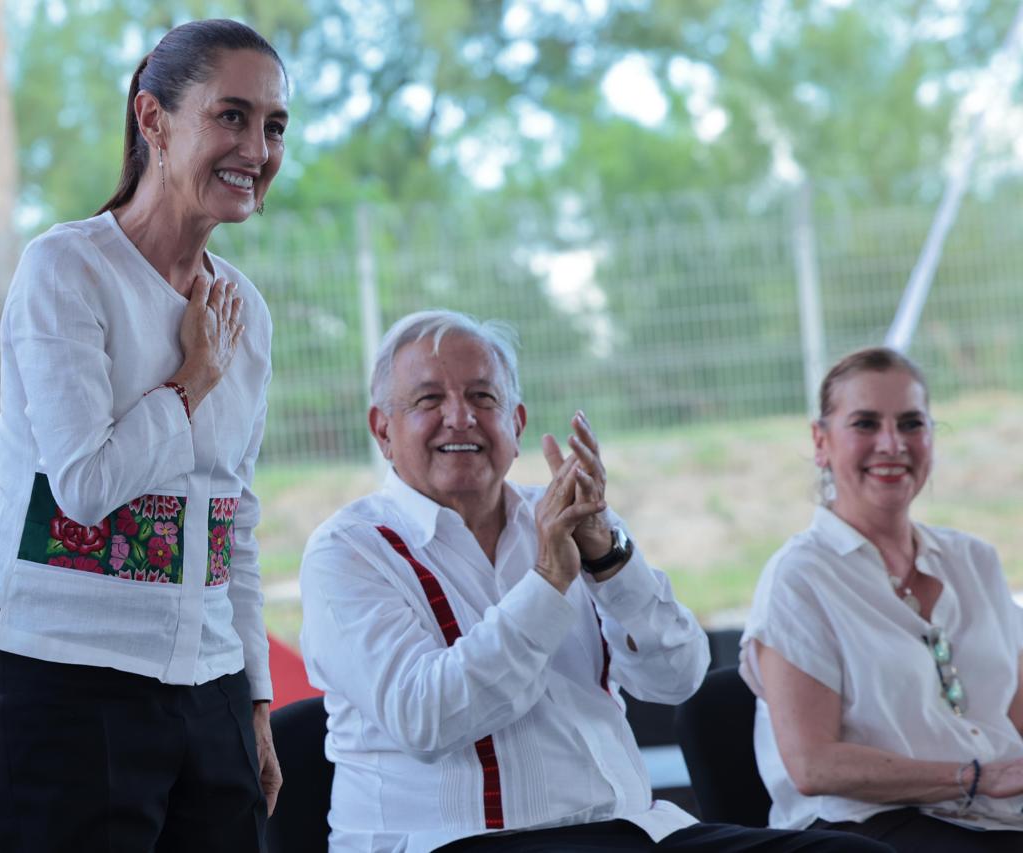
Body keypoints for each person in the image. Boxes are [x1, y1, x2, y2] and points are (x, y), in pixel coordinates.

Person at [299, 310, 890, 853]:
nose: (461, 416)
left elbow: (677, 678)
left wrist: (610, 561)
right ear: (382, 430)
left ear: (517, 423)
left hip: (629, 829)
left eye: (483, 397)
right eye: (429, 399)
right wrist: (549, 579)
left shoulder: (569, 515)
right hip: (456, 840)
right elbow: (426, 718)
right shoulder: (348, 550)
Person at [0, 19, 289, 853]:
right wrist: (190, 384)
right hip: (71, 681)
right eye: (232, 116)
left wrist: (254, 699)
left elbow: (235, 517)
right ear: (152, 119)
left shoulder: (244, 309)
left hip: (211, 682)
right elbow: (83, 484)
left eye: (274, 125)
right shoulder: (65, 270)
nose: (256, 147)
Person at [740, 347, 1023, 851]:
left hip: (997, 815)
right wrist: (974, 776)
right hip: (864, 830)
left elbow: (1016, 714)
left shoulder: (975, 560)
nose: (892, 444)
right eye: (866, 424)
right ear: (820, 441)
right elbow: (812, 765)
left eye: (911, 424)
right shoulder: (800, 578)